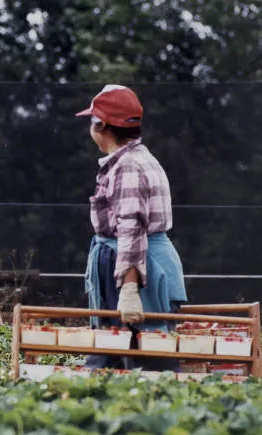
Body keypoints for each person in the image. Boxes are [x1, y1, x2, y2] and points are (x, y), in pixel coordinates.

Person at [76, 84, 187, 371]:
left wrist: (128, 288)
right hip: (140, 262)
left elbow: (132, 228)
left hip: (135, 267)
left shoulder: (128, 166)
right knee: (127, 349)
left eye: (92, 120)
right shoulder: (140, 159)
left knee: (144, 351)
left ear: (101, 125)